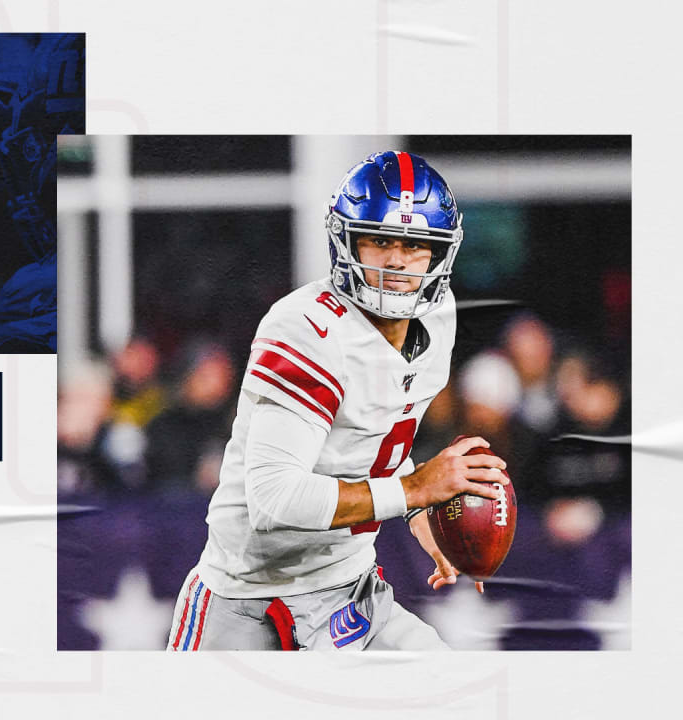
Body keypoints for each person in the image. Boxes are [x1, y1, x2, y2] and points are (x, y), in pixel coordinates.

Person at [167, 151, 510, 651]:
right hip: (244, 598)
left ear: (439, 255)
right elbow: (276, 499)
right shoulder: (307, 328)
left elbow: (375, 439)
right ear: (346, 242)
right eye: (380, 240)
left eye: (415, 244)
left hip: (348, 591)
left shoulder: (437, 318)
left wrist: (422, 517)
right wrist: (414, 492)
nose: (397, 259)